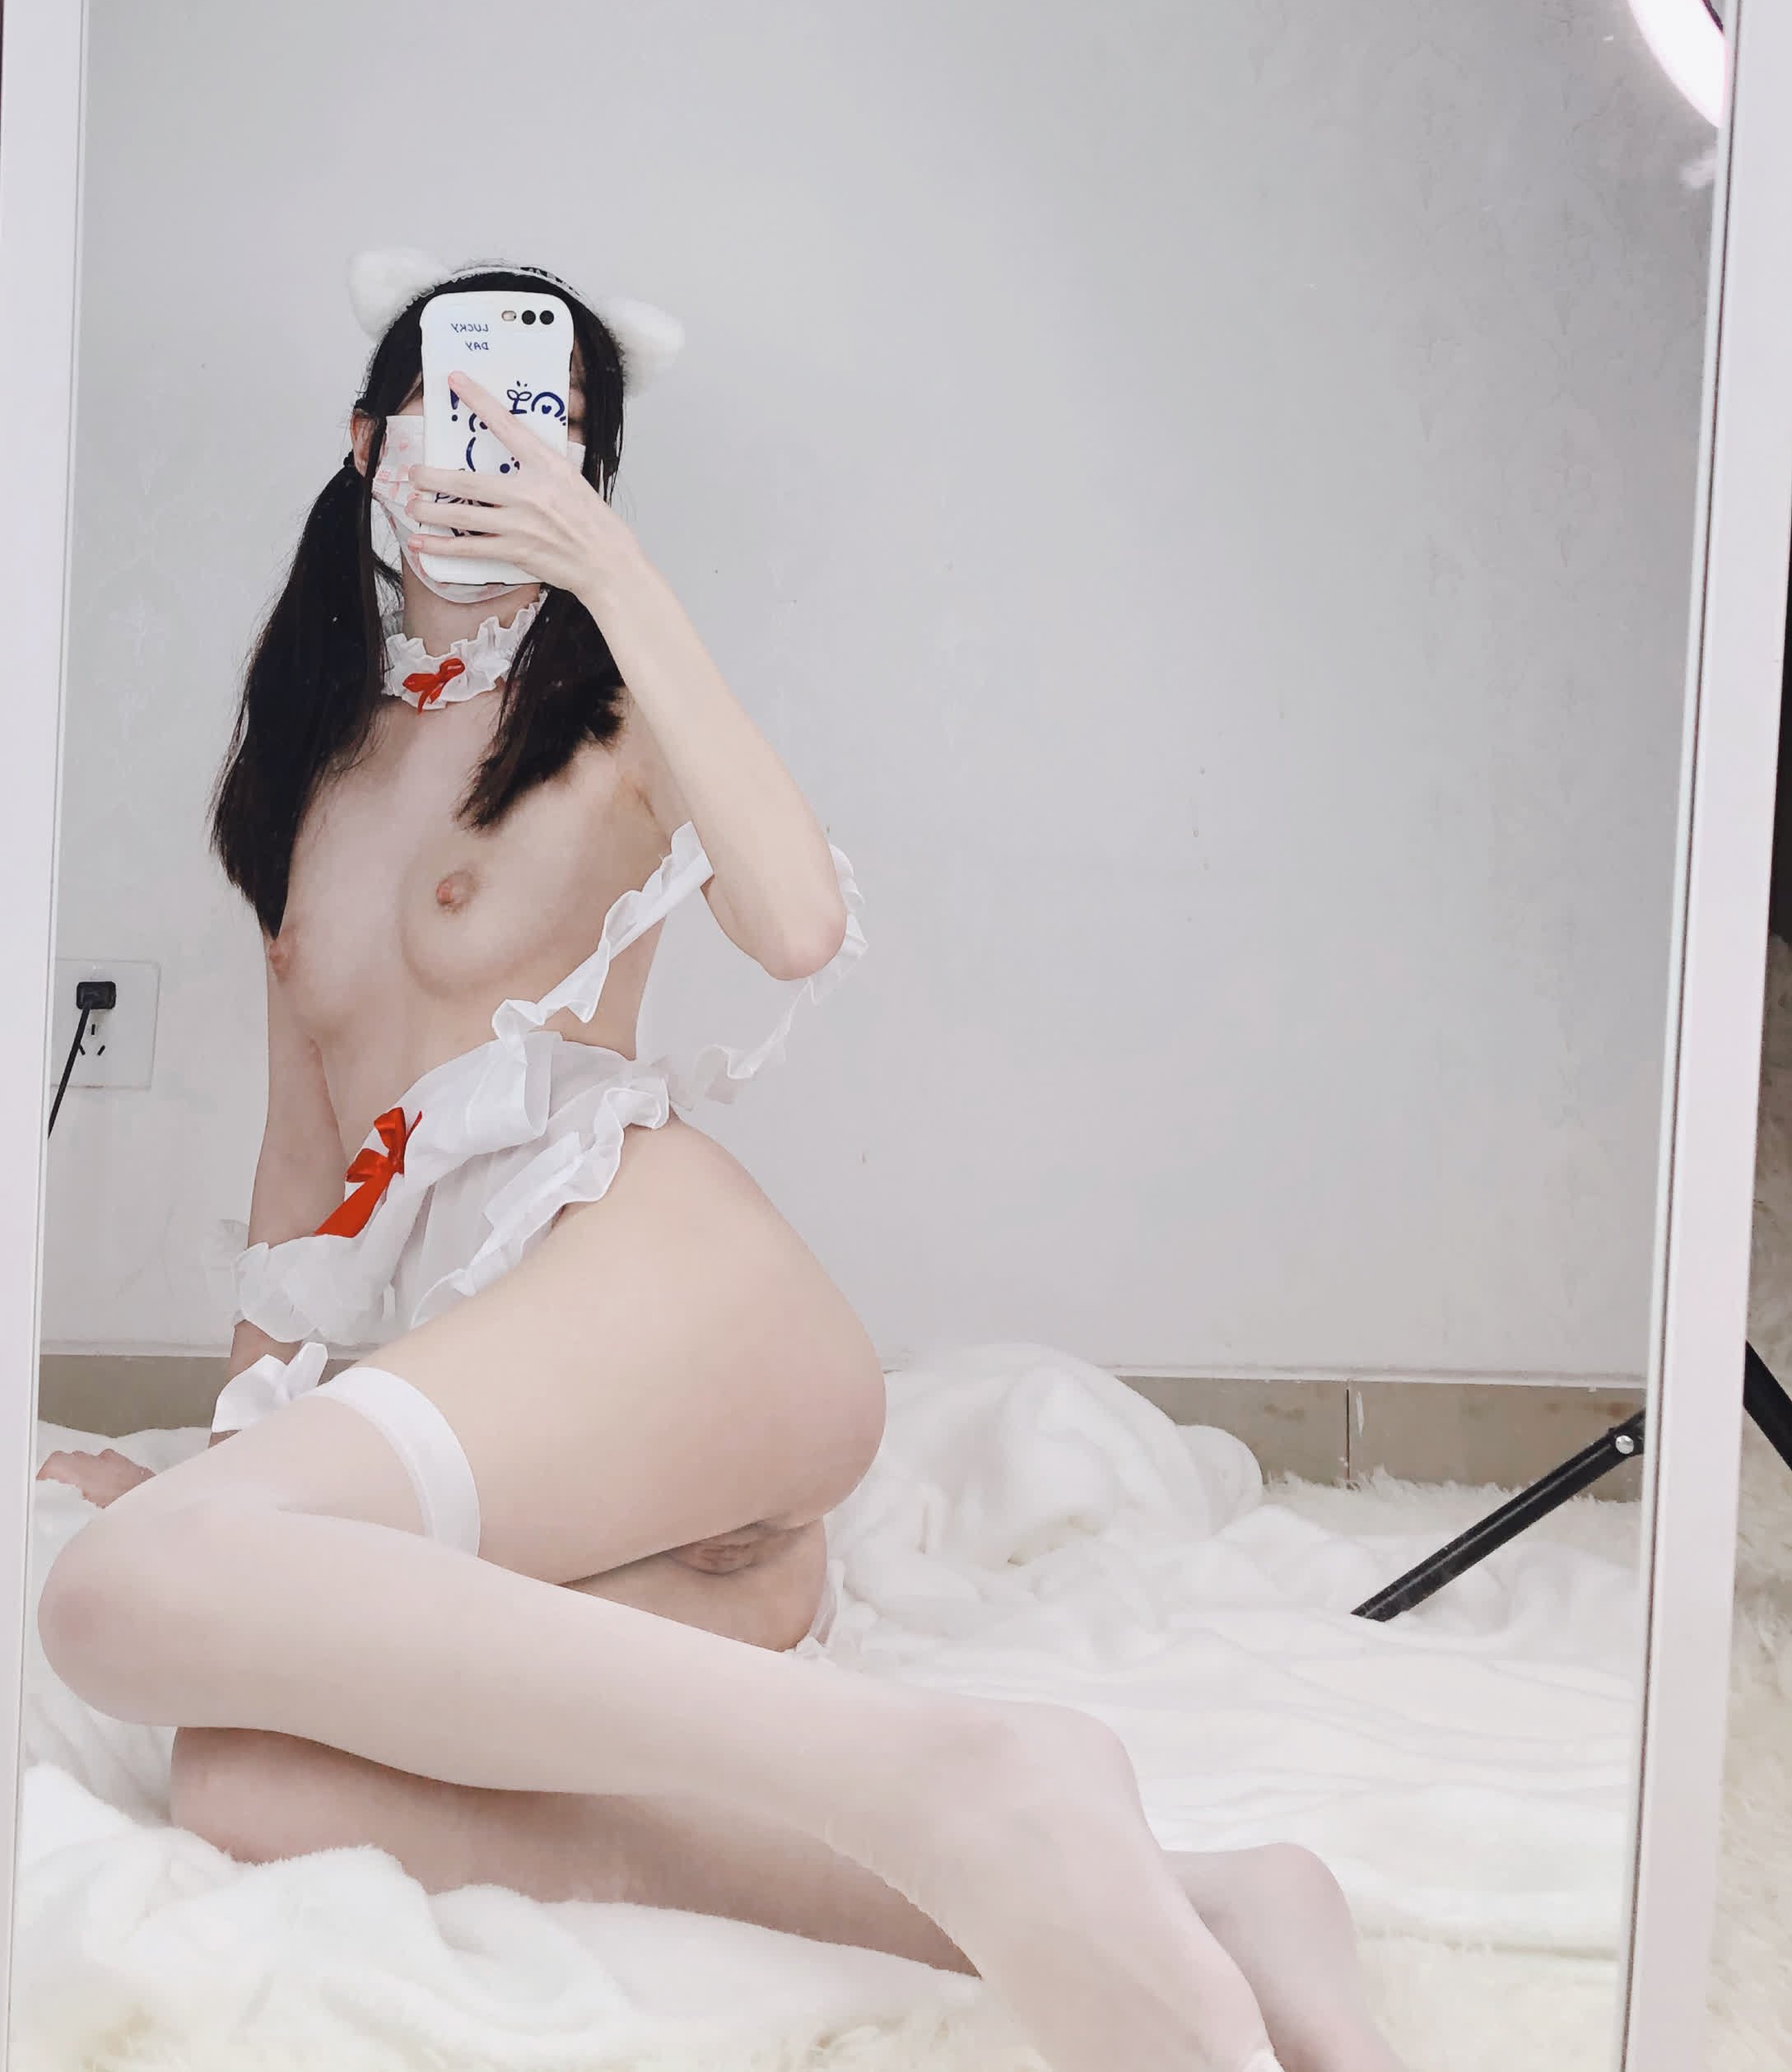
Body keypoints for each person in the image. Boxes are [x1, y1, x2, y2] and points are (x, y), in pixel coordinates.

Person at [36, 259, 1404, 2072]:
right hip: (559, 1436)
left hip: (665, 1294)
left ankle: (960, 1780)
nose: (496, 448)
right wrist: (243, 1454)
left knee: (111, 1601)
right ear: (367, 444)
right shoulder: (314, 759)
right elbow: (312, 1153)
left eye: (549, 427)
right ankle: (1201, 1895)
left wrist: (612, 574)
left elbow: (797, 920)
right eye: (457, 410)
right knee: (249, 1775)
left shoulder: (614, 722)